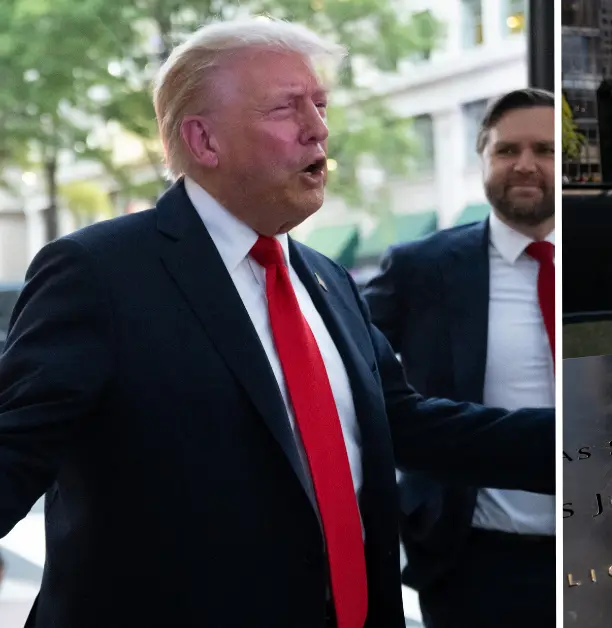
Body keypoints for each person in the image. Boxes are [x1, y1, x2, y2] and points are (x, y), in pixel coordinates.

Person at [0, 19, 553, 628]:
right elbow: (14, 452)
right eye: (287, 109)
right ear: (204, 141)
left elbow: (406, 424)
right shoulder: (97, 273)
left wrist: (585, 441)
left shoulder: (327, 278)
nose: (318, 129)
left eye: (319, 106)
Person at [362, 88, 555, 627]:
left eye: (544, 149)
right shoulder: (419, 268)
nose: (525, 164)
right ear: (483, 158)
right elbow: (347, 369)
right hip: (470, 558)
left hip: (607, 536)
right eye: (506, 150)